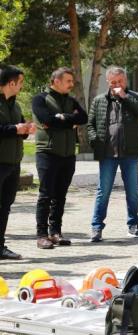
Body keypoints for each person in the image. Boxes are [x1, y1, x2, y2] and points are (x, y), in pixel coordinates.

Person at [87, 66, 138, 242]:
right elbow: (90, 124)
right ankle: (96, 228)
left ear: (125, 81)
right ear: (107, 82)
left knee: (132, 192)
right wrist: (94, 140)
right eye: (113, 82)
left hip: (129, 153)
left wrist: (125, 97)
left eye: (120, 81)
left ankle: (133, 225)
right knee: (103, 191)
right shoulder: (99, 100)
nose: (117, 85)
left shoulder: (134, 96)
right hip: (107, 153)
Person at [31, 67, 88, 249]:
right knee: (46, 195)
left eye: (72, 81)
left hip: (68, 154)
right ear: (56, 81)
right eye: (68, 81)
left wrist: (64, 117)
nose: (72, 84)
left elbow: (83, 118)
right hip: (47, 153)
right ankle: (41, 235)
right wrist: (69, 121)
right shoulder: (40, 99)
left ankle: (55, 232)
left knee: (60, 196)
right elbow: (47, 119)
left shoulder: (71, 100)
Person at [0, 66, 35, 259]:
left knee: (5, 206)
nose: (21, 86)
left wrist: (26, 129)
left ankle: (1, 247)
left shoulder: (16, 105)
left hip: (13, 163)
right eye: (20, 82)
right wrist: (15, 129)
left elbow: (17, 130)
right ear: (11, 83)